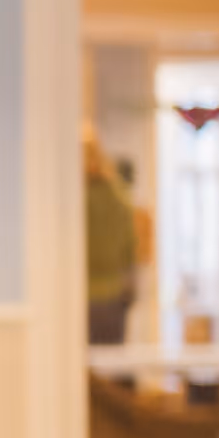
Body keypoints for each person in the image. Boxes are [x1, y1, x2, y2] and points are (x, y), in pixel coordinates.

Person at [85, 130, 138, 345]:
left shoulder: (78, 201)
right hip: (114, 297)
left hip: (83, 296)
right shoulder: (120, 197)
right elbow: (130, 250)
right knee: (110, 368)